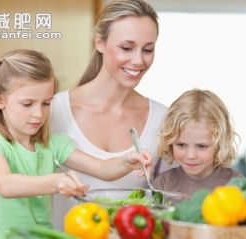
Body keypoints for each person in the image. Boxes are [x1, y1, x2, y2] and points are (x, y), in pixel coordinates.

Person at [0, 49, 151, 239]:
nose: (39, 114)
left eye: (46, 103)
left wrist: (126, 162)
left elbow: (103, 168)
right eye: (27, 104)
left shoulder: (52, 144)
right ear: (0, 100)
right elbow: (5, 185)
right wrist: (55, 182)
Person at [50, 0, 174, 229]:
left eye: (148, 49)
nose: (138, 60)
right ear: (99, 42)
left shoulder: (164, 119)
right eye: (127, 48)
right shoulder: (52, 112)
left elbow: (173, 195)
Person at [152, 89, 246, 196]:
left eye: (201, 146)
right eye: (181, 145)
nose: (191, 156)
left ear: (220, 144)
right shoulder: (162, 184)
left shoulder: (236, 184)